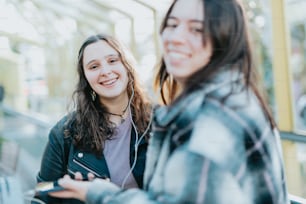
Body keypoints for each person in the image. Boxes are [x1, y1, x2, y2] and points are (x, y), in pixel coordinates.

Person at [49, 0, 289, 203]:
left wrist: (97, 193)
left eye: (196, 29)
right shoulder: (232, 99)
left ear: (224, 38)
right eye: (172, 25)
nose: (175, 37)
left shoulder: (211, 123)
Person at [35, 34, 152, 204]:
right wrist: (70, 190)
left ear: (127, 65)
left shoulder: (160, 124)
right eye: (94, 66)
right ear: (85, 78)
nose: (105, 72)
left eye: (112, 61)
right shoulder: (64, 132)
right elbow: (42, 190)